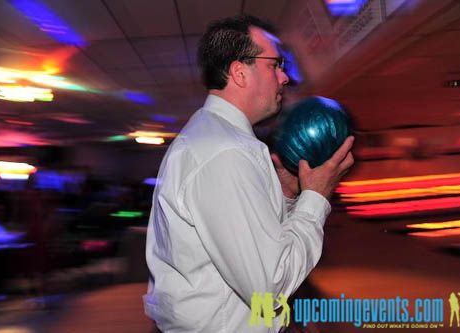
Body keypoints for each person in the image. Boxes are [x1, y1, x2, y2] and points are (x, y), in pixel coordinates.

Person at [144, 15, 354, 332]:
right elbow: (269, 286)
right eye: (275, 64)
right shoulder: (225, 152)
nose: (285, 77)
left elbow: (249, 239)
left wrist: (283, 195)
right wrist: (315, 197)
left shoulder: (217, 140)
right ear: (239, 72)